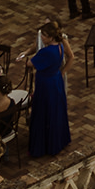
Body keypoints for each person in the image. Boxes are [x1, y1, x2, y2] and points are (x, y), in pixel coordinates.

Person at [27, 20, 73, 159]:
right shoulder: (59, 47)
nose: (42, 38)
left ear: (51, 37)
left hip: (46, 84)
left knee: (44, 111)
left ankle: (44, 145)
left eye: (44, 36)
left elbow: (30, 63)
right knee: (56, 111)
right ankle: (58, 140)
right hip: (55, 80)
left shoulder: (46, 52)